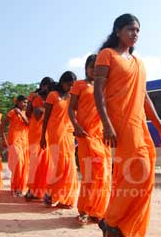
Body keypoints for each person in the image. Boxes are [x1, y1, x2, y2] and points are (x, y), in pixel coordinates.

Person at [94, 14, 161, 237]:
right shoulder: (107, 55)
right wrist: (106, 124)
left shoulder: (138, 62)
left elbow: (145, 97)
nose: (135, 34)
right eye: (130, 29)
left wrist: (159, 126)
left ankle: (123, 227)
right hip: (119, 123)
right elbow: (98, 91)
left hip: (139, 125)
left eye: (137, 30)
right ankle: (111, 220)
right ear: (117, 31)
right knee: (139, 171)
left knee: (143, 177)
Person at [68, 54, 111, 224]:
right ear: (86, 68)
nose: (94, 70)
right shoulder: (79, 85)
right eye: (92, 67)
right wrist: (76, 126)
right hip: (85, 135)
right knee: (89, 174)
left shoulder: (104, 86)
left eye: (97, 67)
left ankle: (97, 210)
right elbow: (71, 109)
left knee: (104, 174)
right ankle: (84, 210)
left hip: (101, 135)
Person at [40, 71, 78, 208]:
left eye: (73, 85)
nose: (70, 87)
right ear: (62, 82)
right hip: (55, 134)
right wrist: (42, 136)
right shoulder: (53, 95)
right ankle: (51, 194)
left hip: (68, 134)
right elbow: (46, 118)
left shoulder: (72, 97)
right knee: (61, 166)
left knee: (70, 166)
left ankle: (64, 198)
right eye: (69, 84)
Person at [26, 77, 55, 200]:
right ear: (42, 85)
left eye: (49, 86)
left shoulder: (53, 97)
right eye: (45, 85)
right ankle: (31, 189)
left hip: (48, 132)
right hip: (35, 132)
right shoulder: (34, 96)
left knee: (46, 163)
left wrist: (44, 109)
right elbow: (30, 114)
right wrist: (33, 103)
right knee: (35, 162)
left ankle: (43, 190)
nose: (46, 88)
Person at [1, 95, 29, 197]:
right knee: (19, 163)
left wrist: (21, 113)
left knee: (24, 165)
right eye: (23, 102)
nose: (25, 104)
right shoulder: (12, 112)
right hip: (14, 141)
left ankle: (21, 187)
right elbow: (3, 126)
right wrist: (4, 139)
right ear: (17, 102)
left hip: (25, 142)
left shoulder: (26, 113)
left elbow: (28, 124)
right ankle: (15, 187)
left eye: (26, 102)